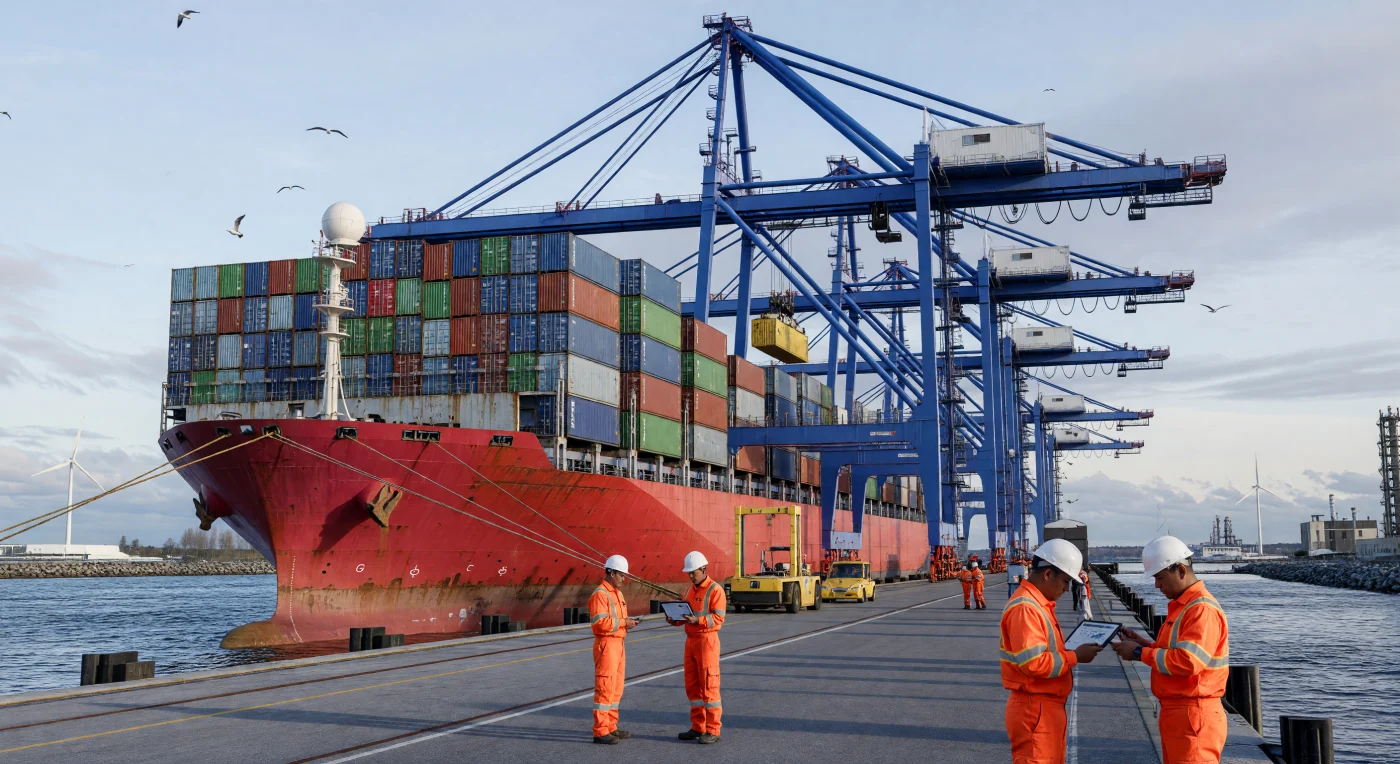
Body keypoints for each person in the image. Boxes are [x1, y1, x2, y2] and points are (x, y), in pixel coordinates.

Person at [1112, 537, 1229, 764]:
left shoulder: (1201, 609)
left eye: (1160, 577)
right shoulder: (1185, 607)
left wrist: (1138, 653)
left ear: (1181, 571)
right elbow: (1174, 651)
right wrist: (1144, 644)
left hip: (1193, 713)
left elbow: (1188, 662)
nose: (1157, 585)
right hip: (1181, 712)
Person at [1000, 539, 1103, 764]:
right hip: (1035, 709)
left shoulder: (1037, 604)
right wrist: (1076, 656)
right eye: (1066, 581)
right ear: (1048, 574)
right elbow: (1034, 663)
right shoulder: (1027, 608)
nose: (1067, 589)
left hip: (1042, 708)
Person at [669, 550, 726, 744]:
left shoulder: (715, 590)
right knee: (693, 687)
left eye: (693, 572)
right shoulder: (688, 591)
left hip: (707, 641)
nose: (691, 576)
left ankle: (713, 729)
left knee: (709, 686)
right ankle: (698, 726)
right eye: (689, 573)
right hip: (691, 640)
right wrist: (674, 619)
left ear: (704, 569)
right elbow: (683, 615)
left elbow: (718, 618)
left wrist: (698, 619)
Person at [589, 554, 641, 744]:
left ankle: (611, 726)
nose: (623, 579)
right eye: (621, 575)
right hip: (606, 645)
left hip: (618, 644)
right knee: (605, 687)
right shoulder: (600, 595)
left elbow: (616, 621)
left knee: (616, 688)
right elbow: (599, 623)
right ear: (611, 572)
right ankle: (600, 731)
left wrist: (627, 624)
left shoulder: (617, 594)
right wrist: (623, 622)